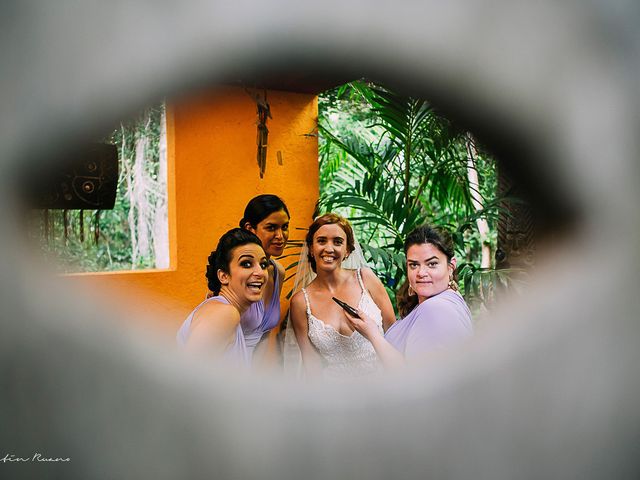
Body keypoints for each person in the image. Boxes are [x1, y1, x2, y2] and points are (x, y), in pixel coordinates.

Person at [345, 224, 473, 368]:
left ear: (451, 266)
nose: (421, 273)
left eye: (432, 264)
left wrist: (372, 334)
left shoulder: (435, 308)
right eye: (414, 265)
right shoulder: (447, 298)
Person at [287, 213, 396, 379]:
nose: (329, 248)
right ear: (311, 248)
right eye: (322, 241)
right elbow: (311, 364)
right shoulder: (301, 302)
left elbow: (395, 334)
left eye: (337, 242)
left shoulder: (366, 279)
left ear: (347, 250)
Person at [177, 228, 268, 366]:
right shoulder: (225, 314)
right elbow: (187, 375)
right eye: (247, 264)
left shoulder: (223, 310)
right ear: (224, 276)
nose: (260, 272)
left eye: (263, 264)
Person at [237, 194, 290, 361]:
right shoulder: (234, 272)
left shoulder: (277, 272)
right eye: (271, 227)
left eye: (285, 227)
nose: (280, 236)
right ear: (250, 228)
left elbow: (263, 336)